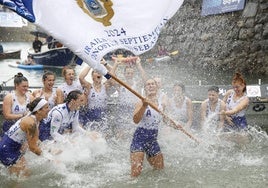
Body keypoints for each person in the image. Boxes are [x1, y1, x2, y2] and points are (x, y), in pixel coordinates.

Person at [0, 98, 49, 177]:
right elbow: (33, 148)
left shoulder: (35, 119)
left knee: (23, 175)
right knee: (22, 177)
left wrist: (48, 148)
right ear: (38, 110)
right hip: (7, 149)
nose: (49, 109)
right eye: (46, 107)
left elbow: (35, 140)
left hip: (12, 148)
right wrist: (48, 157)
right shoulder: (31, 123)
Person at [130, 78, 167, 177]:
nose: (150, 86)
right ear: (145, 88)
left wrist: (176, 125)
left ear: (157, 87)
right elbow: (135, 120)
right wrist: (144, 106)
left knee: (160, 171)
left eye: (152, 84)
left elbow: (166, 120)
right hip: (139, 139)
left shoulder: (161, 104)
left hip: (152, 140)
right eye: (148, 85)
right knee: (136, 173)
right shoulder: (141, 102)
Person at [78, 62, 111, 135]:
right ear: (92, 77)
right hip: (91, 115)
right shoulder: (89, 86)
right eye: (96, 72)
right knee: (91, 136)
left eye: (100, 72)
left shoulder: (105, 86)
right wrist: (91, 64)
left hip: (103, 114)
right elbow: (81, 77)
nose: (99, 73)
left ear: (102, 76)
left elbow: (113, 77)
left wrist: (105, 64)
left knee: (102, 137)